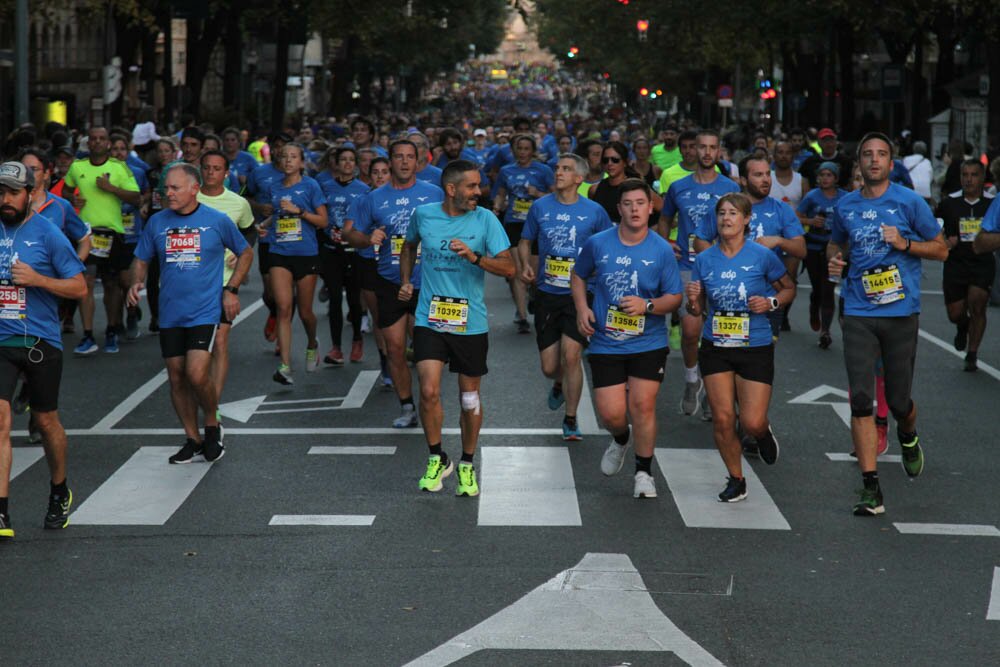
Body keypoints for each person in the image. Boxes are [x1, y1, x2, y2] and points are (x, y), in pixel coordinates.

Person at [826, 132, 948, 516]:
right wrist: (835, 261)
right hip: (859, 312)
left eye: (881, 155)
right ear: (859, 164)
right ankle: (870, 488)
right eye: (867, 155)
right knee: (861, 401)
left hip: (899, 314)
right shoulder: (845, 206)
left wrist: (905, 245)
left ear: (891, 163)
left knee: (897, 403)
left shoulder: (910, 203)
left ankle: (908, 434)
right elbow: (837, 244)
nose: (874, 160)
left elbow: (942, 249)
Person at [398, 160, 514, 495]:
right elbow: (408, 246)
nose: (479, 192)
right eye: (472, 186)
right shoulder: (424, 215)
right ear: (452, 189)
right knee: (429, 390)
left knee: (468, 399)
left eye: (479, 186)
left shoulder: (486, 220)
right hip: (430, 317)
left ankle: (466, 463)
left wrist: (475, 258)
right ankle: (436, 458)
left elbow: (509, 269)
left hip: (471, 322)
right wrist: (406, 280)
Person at [128, 162, 251, 463]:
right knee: (176, 377)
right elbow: (142, 257)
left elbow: (246, 251)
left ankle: (211, 424)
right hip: (171, 312)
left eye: (175, 188)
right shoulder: (157, 222)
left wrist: (231, 289)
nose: (167, 193)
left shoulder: (216, 221)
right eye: (166, 188)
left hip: (204, 310)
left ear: (194, 189)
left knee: (196, 374)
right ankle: (192, 438)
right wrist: (136, 281)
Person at [572, 179, 683, 498]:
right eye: (628, 204)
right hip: (607, 340)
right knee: (611, 414)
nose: (635, 209)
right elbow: (578, 275)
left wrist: (647, 305)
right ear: (618, 209)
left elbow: (674, 297)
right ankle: (621, 438)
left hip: (648, 342)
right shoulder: (598, 243)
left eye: (640, 203)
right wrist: (582, 309)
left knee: (643, 405)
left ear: (651, 208)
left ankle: (644, 472)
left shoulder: (661, 249)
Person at [686, 193, 796, 501]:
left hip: (755, 345)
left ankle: (762, 433)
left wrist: (770, 302)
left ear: (746, 219)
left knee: (751, 421)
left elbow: (788, 289)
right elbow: (697, 309)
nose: (726, 219)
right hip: (716, 345)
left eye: (733, 213)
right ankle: (736, 478)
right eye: (721, 213)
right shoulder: (705, 259)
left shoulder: (761, 256)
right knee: (723, 418)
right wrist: (693, 301)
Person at [0, 161, 87, 539]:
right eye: (0, 192)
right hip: (2, 341)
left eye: (12, 192)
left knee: (47, 421)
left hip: (40, 342)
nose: (5, 199)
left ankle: (59, 489)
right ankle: (2, 514)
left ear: (30, 193)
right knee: (0, 421)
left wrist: (37, 279)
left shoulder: (48, 233)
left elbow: (79, 288)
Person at [344, 140, 444, 428]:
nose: (404, 162)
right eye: (398, 157)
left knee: (427, 349)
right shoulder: (373, 198)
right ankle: (407, 406)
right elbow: (351, 234)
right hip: (389, 281)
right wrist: (368, 238)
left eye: (409, 157)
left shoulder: (433, 194)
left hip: (428, 281)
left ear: (417, 161)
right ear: (390, 161)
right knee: (395, 348)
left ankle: (429, 398)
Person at [519, 153, 613, 440]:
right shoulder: (540, 207)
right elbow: (525, 240)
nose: (558, 172)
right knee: (550, 366)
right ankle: (557, 382)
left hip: (581, 295)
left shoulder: (595, 212)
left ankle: (570, 419)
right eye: (557, 168)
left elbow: (607, 248)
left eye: (566, 169)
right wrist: (525, 265)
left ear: (579, 178)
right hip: (547, 293)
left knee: (572, 356)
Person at [661, 129, 740, 420]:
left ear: (719, 151)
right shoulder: (679, 186)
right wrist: (666, 242)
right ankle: (692, 380)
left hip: (722, 267)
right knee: (691, 331)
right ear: (693, 150)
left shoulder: (731, 187)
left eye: (712, 148)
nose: (706, 153)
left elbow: (742, 223)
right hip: (688, 267)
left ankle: (711, 388)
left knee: (716, 334)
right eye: (701, 147)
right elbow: (665, 218)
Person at [697, 156, 806, 339]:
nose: (766, 179)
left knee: (760, 357)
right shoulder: (725, 207)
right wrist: (718, 262)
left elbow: (801, 250)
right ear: (744, 180)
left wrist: (778, 241)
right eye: (758, 175)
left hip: (766, 299)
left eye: (767, 174)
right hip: (727, 297)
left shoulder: (782, 209)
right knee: (724, 354)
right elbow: (700, 239)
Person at [63, 127, 141, 355]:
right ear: (88, 143)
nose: (97, 142)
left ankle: (111, 328)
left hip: (112, 233)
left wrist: (111, 189)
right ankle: (87, 334)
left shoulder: (119, 167)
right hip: (85, 234)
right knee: (85, 282)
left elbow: (136, 197)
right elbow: (65, 191)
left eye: (102, 139)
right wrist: (73, 199)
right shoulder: (77, 167)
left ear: (108, 143)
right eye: (93, 139)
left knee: (111, 284)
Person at [260, 144, 327, 384]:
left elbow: (323, 221)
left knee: (305, 312)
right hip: (279, 252)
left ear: (301, 163)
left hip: (306, 253)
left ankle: (312, 343)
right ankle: (285, 366)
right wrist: (265, 225)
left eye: (293, 157)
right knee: (284, 308)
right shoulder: (274, 187)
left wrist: (300, 212)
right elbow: (278, 214)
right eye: (284, 157)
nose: (288, 161)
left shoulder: (311, 186)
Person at [196, 150, 255, 413]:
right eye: (206, 168)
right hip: (192, 282)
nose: (211, 173)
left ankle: (213, 404)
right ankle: (203, 389)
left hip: (223, 281)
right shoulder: (188, 197)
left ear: (226, 173)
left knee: (220, 342)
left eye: (217, 168)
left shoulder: (237, 203)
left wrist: (239, 252)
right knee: (198, 350)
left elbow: (249, 232)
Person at [493, 134, 555, 333]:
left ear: (533, 151)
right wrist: (496, 206)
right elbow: (501, 193)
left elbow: (556, 196)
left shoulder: (543, 170)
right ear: (514, 150)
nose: (523, 152)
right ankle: (521, 316)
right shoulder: (506, 170)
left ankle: (535, 297)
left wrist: (537, 194)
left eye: (527, 148)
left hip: (537, 224)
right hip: (514, 223)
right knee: (517, 272)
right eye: (519, 148)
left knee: (534, 274)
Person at [937, 160, 995, 371]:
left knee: (977, 303)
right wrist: (944, 240)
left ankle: (972, 353)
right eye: (965, 175)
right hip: (956, 263)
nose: (969, 179)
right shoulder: (948, 203)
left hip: (982, 262)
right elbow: (935, 229)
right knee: (955, 313)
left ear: (982, 178)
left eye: (974, 175)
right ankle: (962, 326)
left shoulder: (992, 203)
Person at [318, 147, 368, 364]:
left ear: (356, 164)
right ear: (335, 163)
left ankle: (357, 339)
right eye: (343, 160)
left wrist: (354, 235)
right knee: (336, 299)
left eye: (351, 160)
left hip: (354, 251)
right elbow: (319, 217)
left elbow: (367, 220)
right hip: (331, 250)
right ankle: (336, 347)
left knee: (355, 299)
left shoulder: (364, 189)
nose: (347, 164)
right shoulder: (324, 187)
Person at [797, 162, 848, 348]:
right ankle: (813, 305)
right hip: (813, 247)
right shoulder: (812, 196)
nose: (824, 178)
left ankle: (825, 331)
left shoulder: (845, 197)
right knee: (818, 289)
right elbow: (796, 216)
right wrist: (810, 221)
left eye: (829, 175)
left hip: (834, 249)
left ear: (836, 178)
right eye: (821, 175)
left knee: (828, 290)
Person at [109, 133, 151, 341]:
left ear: (128, 151)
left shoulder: (138, 172)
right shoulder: (103, 173)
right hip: (109, 233)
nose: (118, 153)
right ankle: (115, 324)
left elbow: (146, 194)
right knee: (113, 282)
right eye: (114, 149)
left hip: (133, 233)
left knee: (127, 280)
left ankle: (132, 312)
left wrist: (143, 204)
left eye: (122, 149)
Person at [589, 141, 662, 223]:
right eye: (605, 160)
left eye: (615, 160)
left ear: (625, 162)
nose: (610, 163)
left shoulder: (638, 186)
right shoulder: (595, 190)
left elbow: (664, 210)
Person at [902, 141, 934, 205]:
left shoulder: (906, 160)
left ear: (913, 149)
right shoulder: (927, 162)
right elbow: (931, 178)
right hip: (925, 193)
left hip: (910, 192)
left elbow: (902, 175)